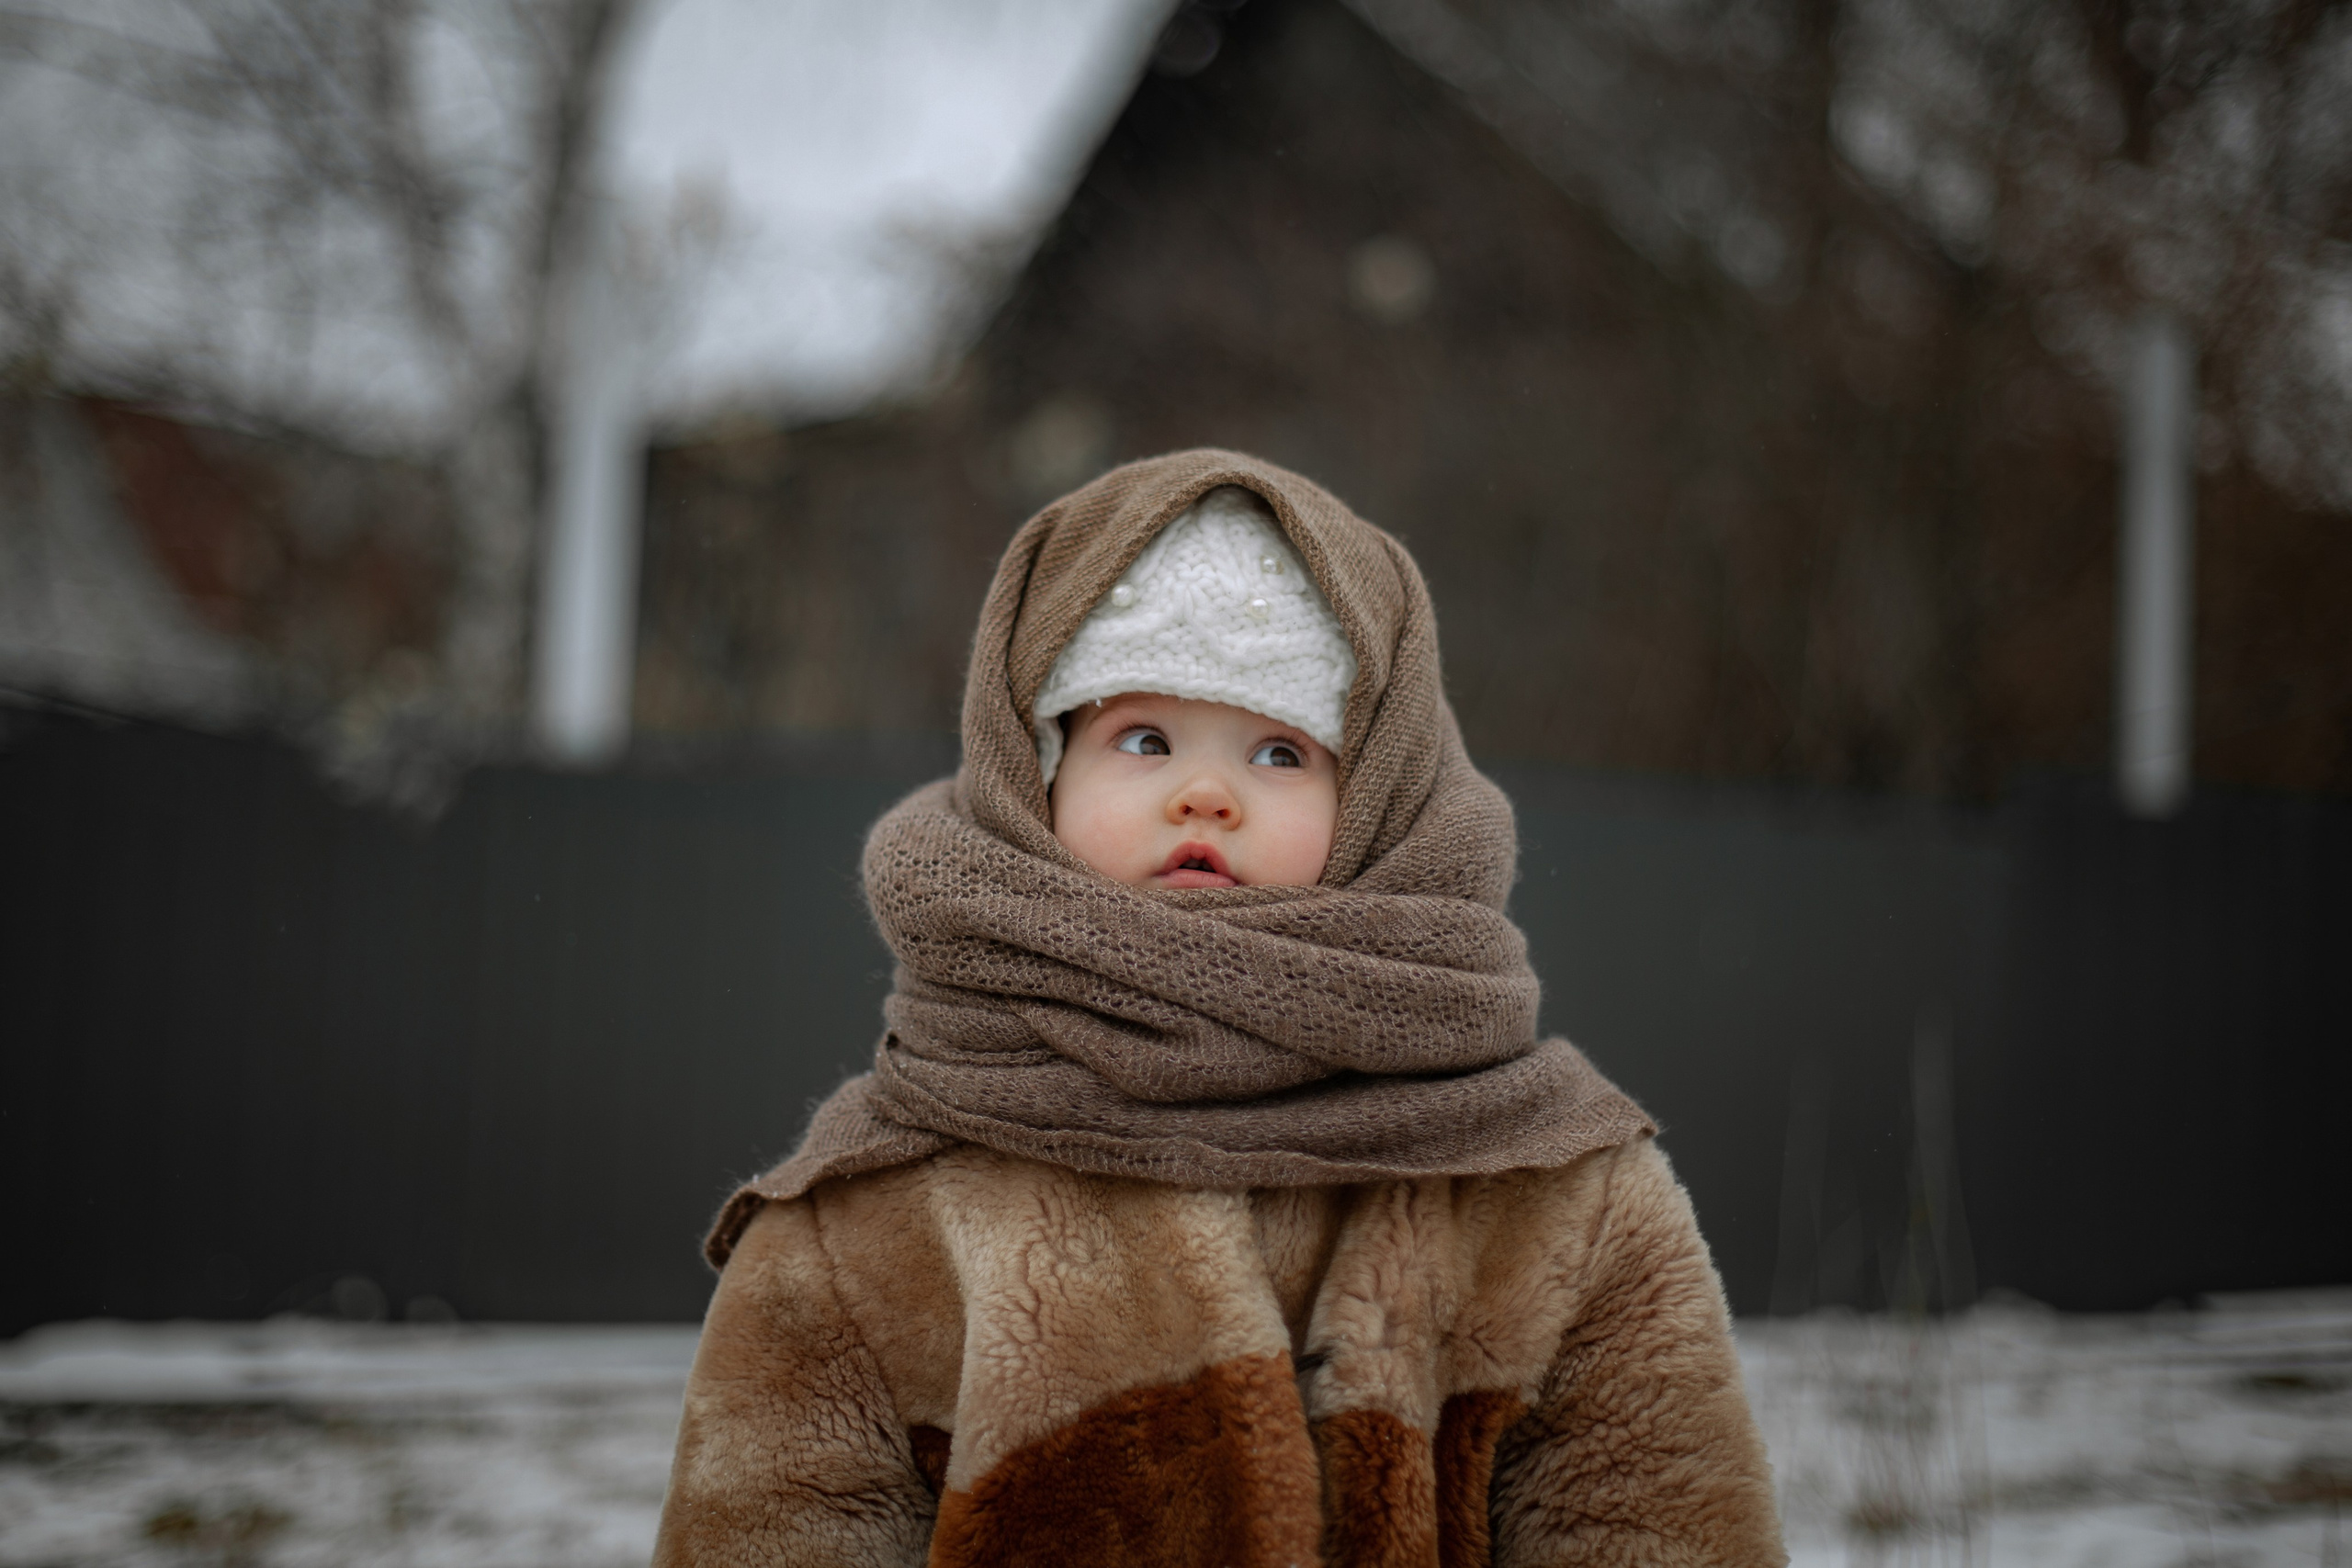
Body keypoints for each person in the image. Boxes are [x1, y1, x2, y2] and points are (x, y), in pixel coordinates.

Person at [650, 451, 1784, 1567]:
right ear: (1032, 774)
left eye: (1280, 750)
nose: (1206, 792)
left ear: (1381, 800)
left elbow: (1661, 1519)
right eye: (1142, 739)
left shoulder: (1553, 1197)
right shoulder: (874, 1217)